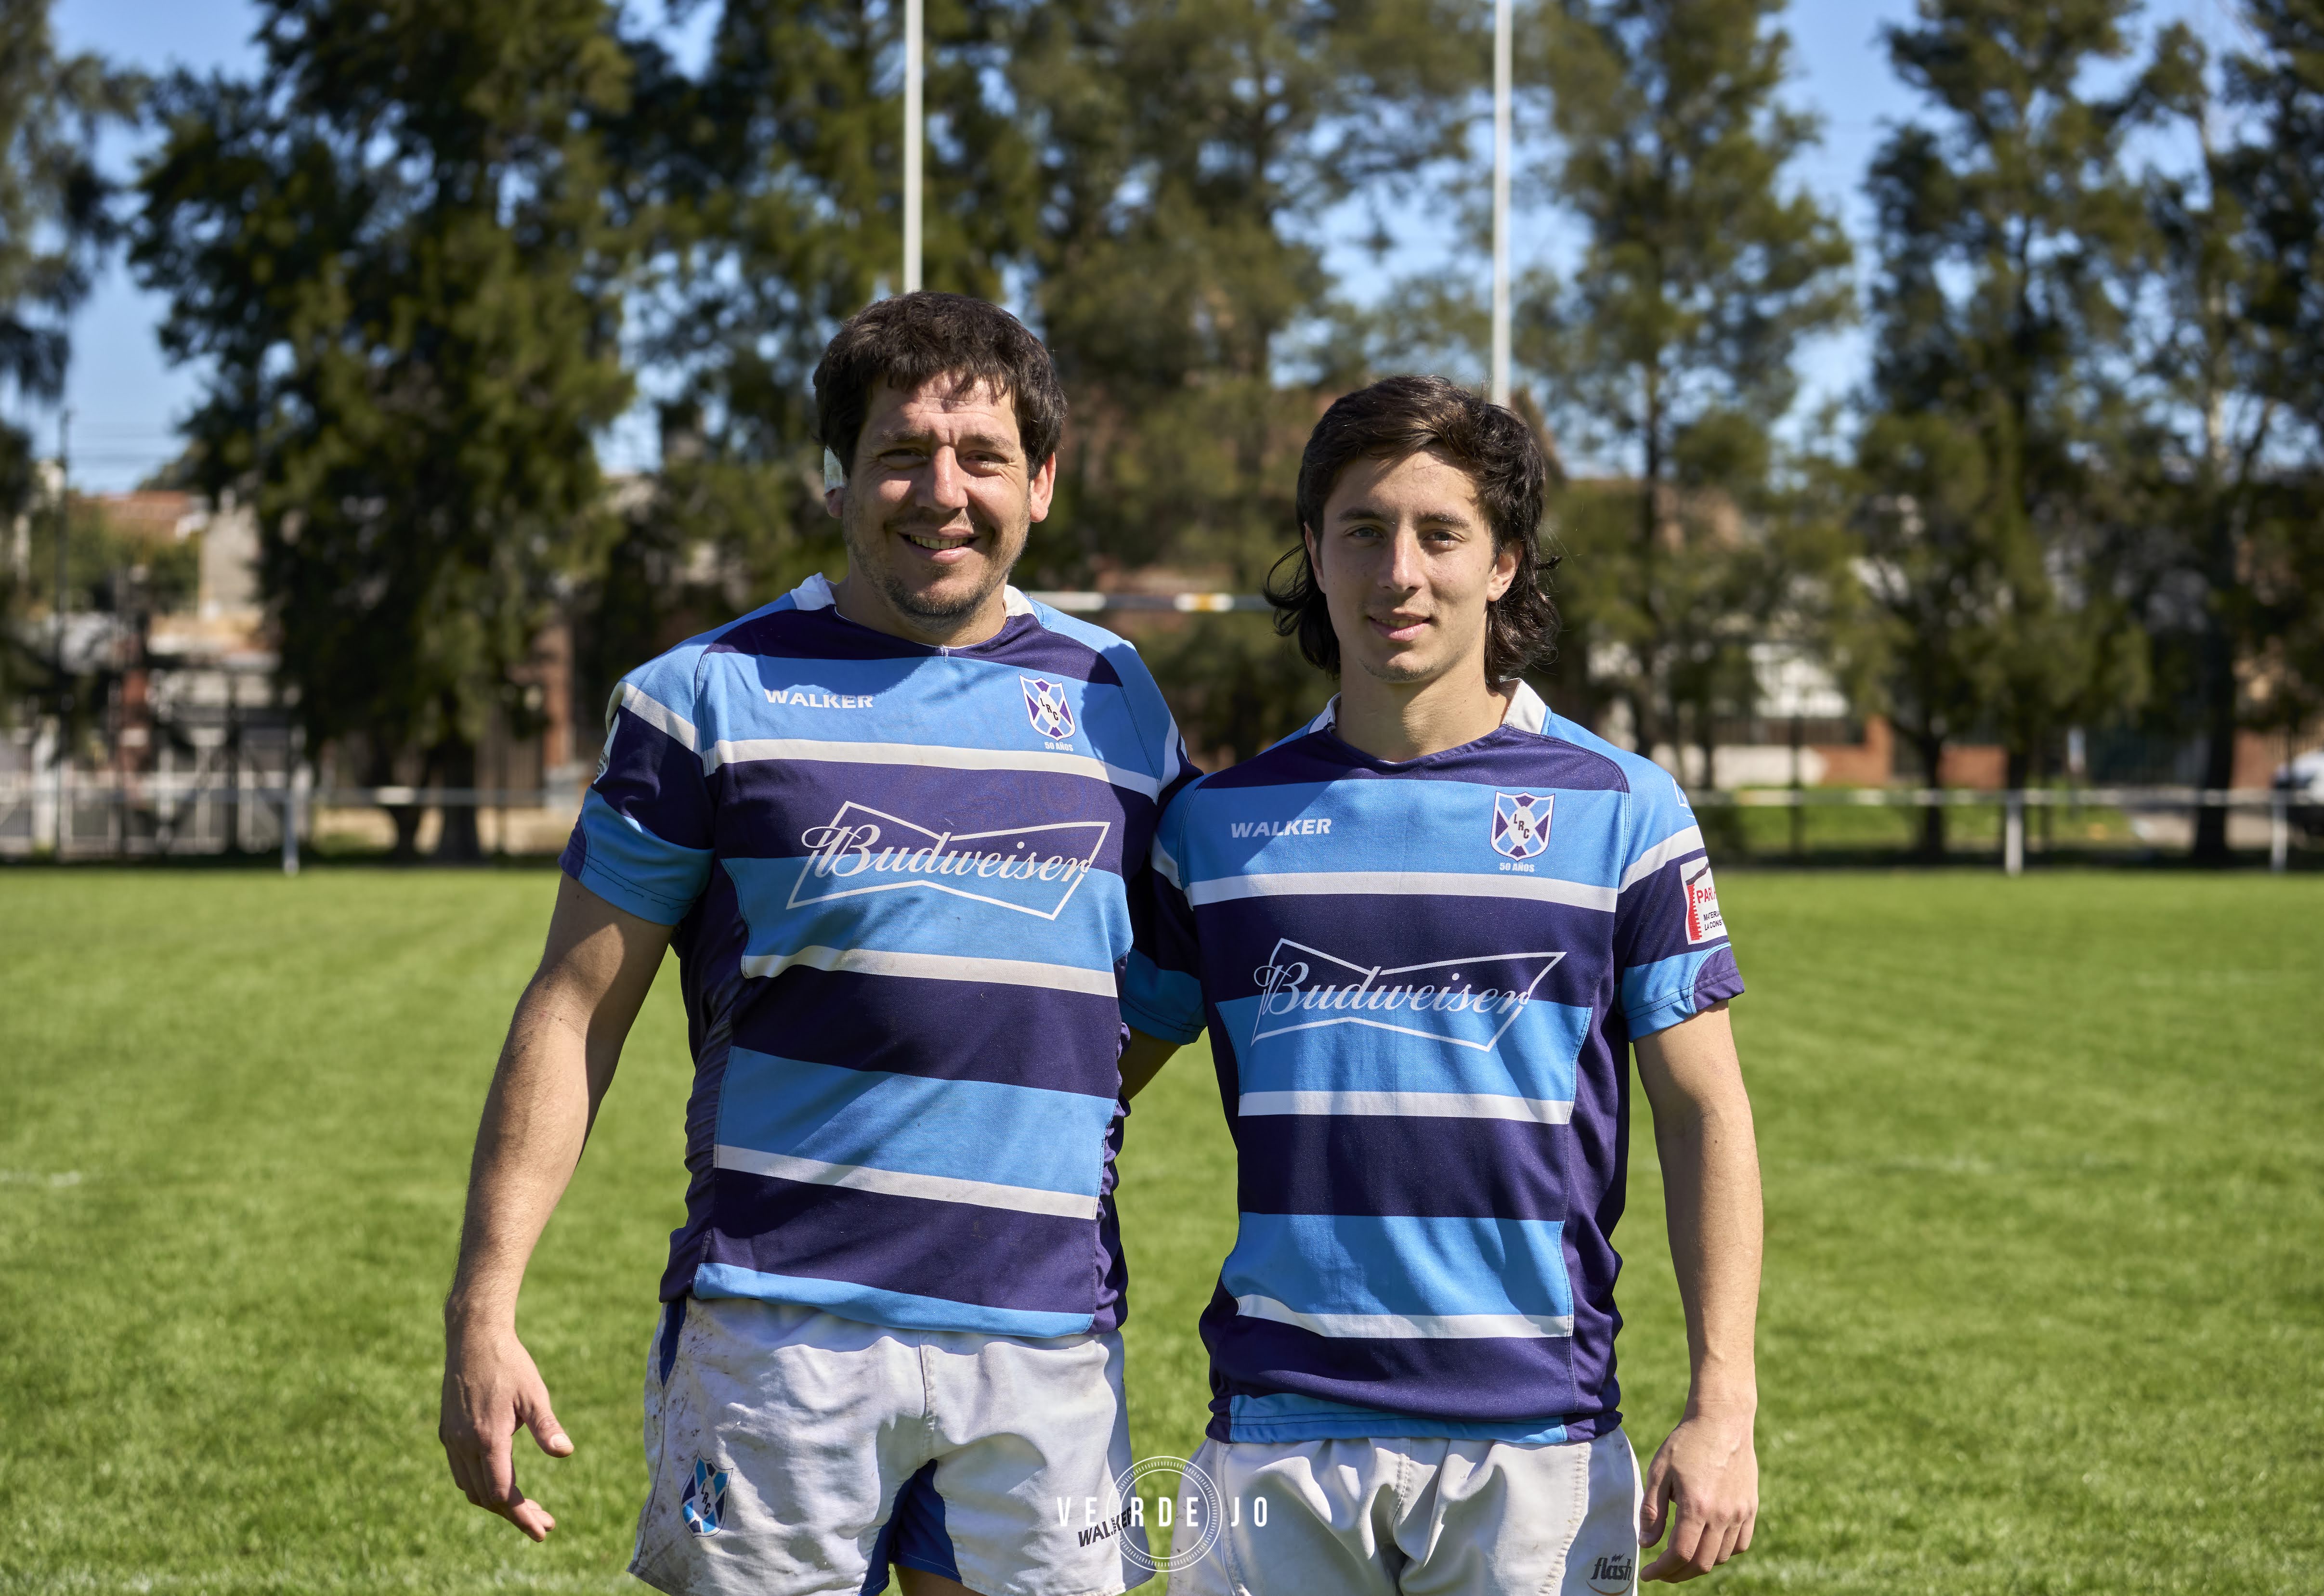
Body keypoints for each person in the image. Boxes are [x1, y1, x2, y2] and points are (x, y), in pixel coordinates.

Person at [438, 291, 1190, 1596]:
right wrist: (482, 1306)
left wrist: (1040, 1103)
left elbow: (1163, 985)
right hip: (780, 1333)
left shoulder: (1116, 699)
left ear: (1044, 483)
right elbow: (573, 1012)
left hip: (1044, 1337)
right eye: (902, 453)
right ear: (836, 475)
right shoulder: (700, 698)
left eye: (982, 457)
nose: (940, 492)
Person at [1118, 375, 1763, 1593]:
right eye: (1360, 530)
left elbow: (1704, 1110)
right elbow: (1088, 1080)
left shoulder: (1624, 809)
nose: (1396, 572)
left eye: (1439, 532)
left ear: (1507, 560)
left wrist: (1721, 1404)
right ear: (1313, 552)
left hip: (1534, 1441)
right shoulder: (1212, 826)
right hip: (1277, 1432)